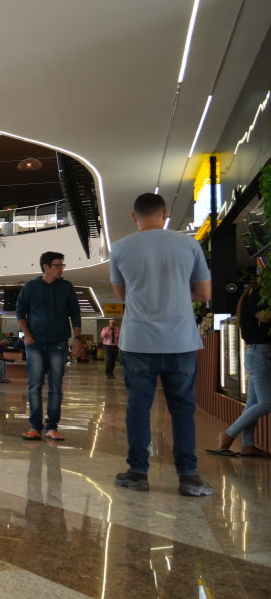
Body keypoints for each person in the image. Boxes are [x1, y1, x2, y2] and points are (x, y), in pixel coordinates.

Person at [111, 193, 212, 497]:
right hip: (180, 341)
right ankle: (189, 477)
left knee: (138, 408)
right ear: (165, 214)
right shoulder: (189, 244)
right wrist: (179, 292)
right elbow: (204, 294)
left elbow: (123, 295)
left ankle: (137, 472)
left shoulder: (120, 248)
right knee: (182, 409)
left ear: (134, 216)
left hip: (138, 341)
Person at [15, 251, 83, 442]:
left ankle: (52, 427)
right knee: (35, 385)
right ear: (46, 267)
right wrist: (27, 336)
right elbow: (20, 311)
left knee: (56, 386)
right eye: (58, 265)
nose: (62, 269)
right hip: (35, 343)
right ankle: (35, 427)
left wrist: (77, 339)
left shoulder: (66, 287)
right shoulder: (31, 287)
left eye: (62, 265)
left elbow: (75, 313)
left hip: (58, 343)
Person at [206, 281, 271, 458]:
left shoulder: (252, 294)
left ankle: (247, 445)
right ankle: (228, 434)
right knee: (267, 403)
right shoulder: (257, 294)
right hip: (260, 354)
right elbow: (265, 316)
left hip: (258, 353)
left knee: (252, 403)